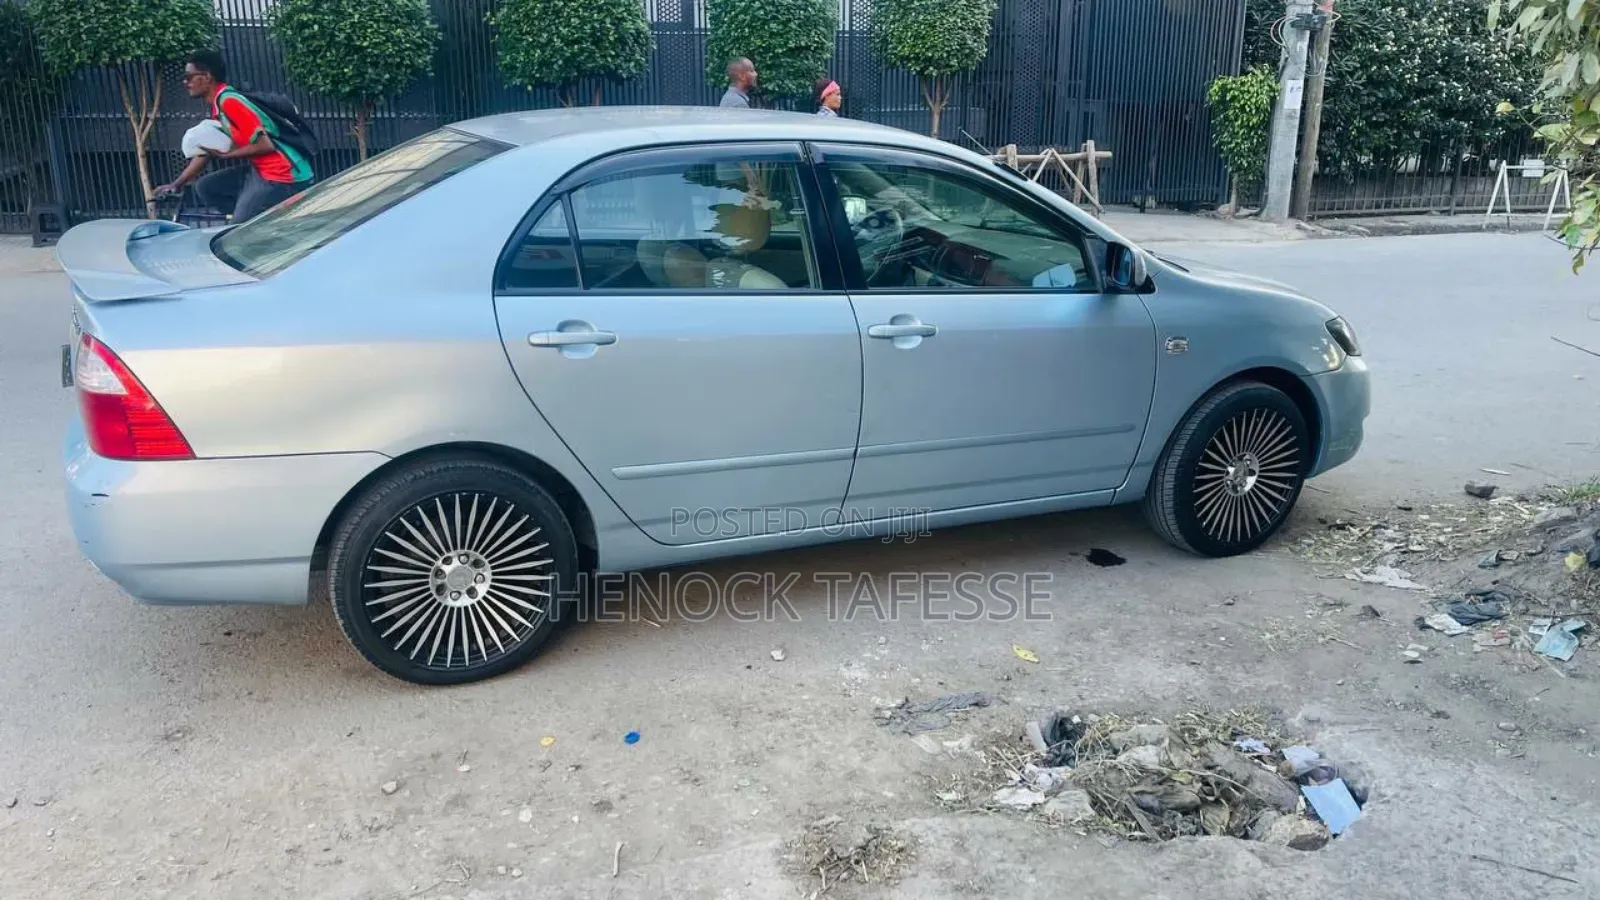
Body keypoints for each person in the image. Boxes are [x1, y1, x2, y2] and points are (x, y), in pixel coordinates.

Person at [153, 50, 314, 223]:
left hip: (282, 176)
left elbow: (265, 145)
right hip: (262, 171)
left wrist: (226, 156)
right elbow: (206, 152)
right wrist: (177, 184)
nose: (185, 82)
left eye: (189, 77)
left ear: (206, 77)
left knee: (240, 231)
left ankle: (253, 224)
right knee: (206, 187)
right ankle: (257, 221)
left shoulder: (230, 102)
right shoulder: (220, 104)